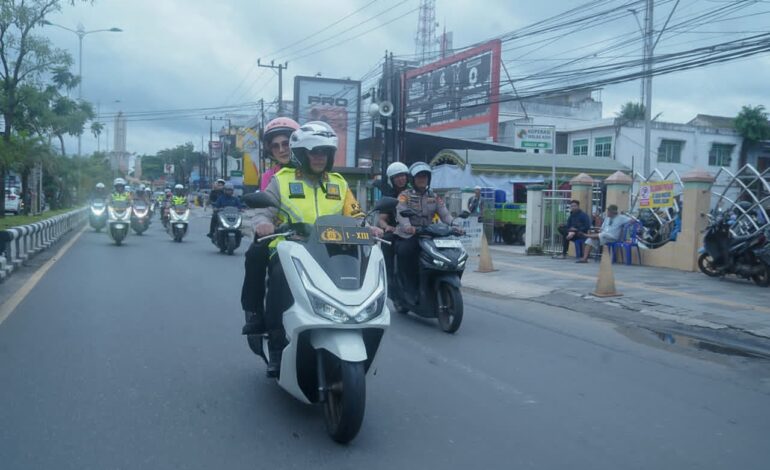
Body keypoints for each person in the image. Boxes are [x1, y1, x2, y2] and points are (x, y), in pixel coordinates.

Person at [252, 121, 382, 377]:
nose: (319, 157)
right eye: (313, 151)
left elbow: (356, 215)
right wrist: (263, 224)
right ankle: (277, 347)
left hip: (334, 251)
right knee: (278, 279)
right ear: (301, 154)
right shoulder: (282, 180)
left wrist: (370, 227)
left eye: (324, 151)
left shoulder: (339, 183)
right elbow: (262, 211)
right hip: (292, 249)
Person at [240, 118, 301, 338]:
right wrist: (265, 224)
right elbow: (263, 209)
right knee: (255, 254)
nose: (282, 149)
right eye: (275, 146)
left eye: (286, 143)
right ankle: (256, 312)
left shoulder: (321, 174)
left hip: (316, 239)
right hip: (281, 237)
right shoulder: (270, 177)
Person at [394, 162, 460, 304]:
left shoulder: (434, 196)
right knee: (406, 252)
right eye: (419, 177)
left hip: (429, 234)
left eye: (425, 177)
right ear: (413, 179)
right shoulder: (405, 195)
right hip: (410, 234)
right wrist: (407, 226)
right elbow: (401, 212)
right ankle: (409, 288)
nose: (422, 179)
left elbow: (445, 214)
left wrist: (455, 224)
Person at [377, 162, 410, 294]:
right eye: (397, 177)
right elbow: (381, 220)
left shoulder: (414, 192)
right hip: (396, 231)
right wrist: (387, 227)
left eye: (402, 176)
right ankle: (389, 278)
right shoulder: (388, 196)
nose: (400, 179)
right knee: (387, 241)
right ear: (392, 180)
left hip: (413, 229)